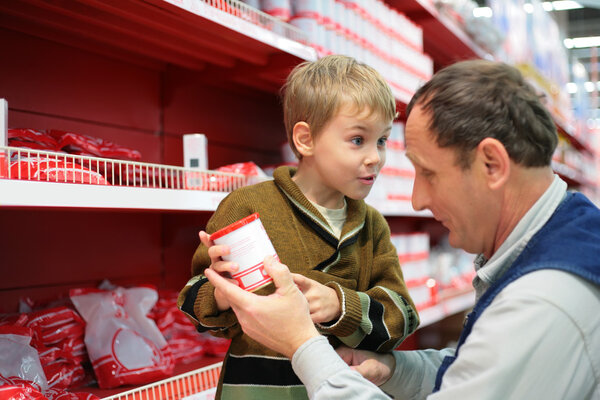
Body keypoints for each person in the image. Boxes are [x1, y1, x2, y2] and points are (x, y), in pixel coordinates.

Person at [203, 59, 600, 399]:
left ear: (492, 165)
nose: (416, 199)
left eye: (427, 172)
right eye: (358, 139)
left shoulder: (543, 302)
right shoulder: (559, 248)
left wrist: (304, 342)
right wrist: (393, 370)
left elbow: (403, 315)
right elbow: (476, 370)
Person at [177, 54, 419, 399]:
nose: (375, 157)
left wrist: (340, 306)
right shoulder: (248, 207)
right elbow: (193, 303)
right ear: (305, 139)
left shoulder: (371, 226)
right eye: (357, 140)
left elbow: (402, 317)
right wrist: (220, 291)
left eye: (382, 140)